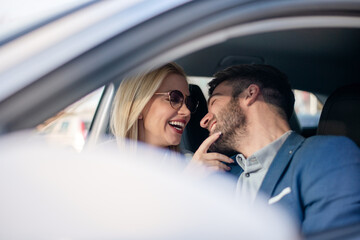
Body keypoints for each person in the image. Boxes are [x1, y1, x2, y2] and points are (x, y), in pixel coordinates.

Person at [199, 64, 360, 235]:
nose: (204, 121)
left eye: (215, 101)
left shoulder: (328, 155)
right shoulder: (218, 175)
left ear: (250, 94)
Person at [110, 62, 233, 172]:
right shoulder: (102, 162)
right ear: (137, 106)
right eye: (174, 99)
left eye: (189, 102)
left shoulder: (195, 166)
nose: (187, 112)